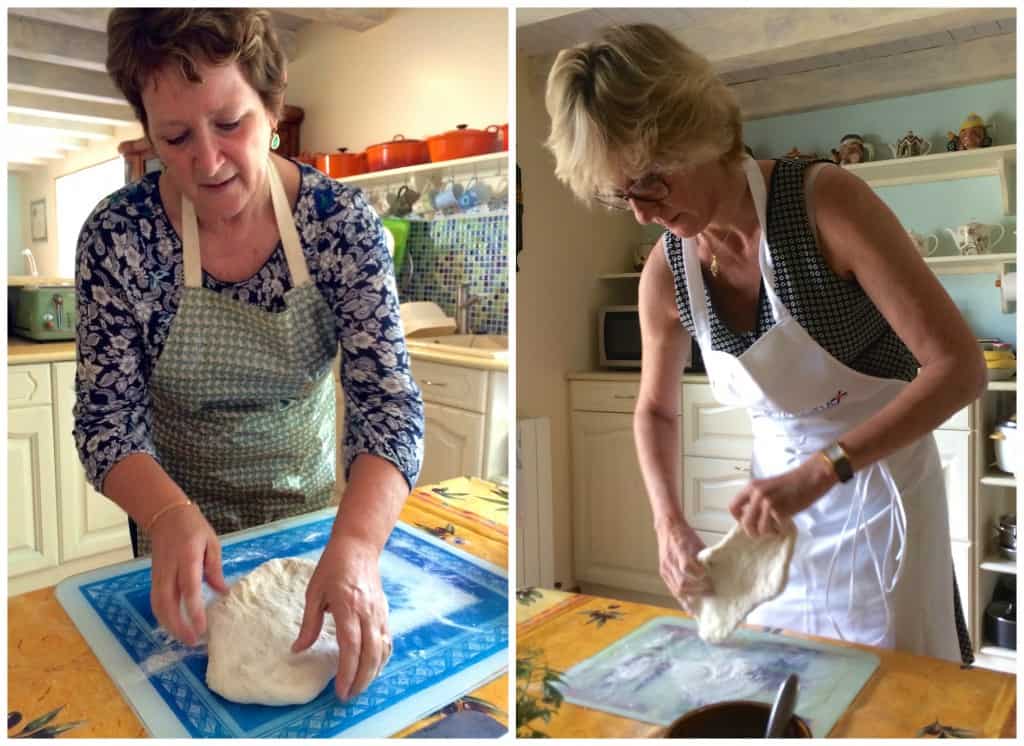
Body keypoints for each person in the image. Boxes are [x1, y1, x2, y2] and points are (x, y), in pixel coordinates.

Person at [544, 24, 986, 662]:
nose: (642, 212)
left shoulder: (825, 205)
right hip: (772, 518)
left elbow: (961, 369)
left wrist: (823, 469)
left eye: (650, 181)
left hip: (881, 494)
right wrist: (667, 520)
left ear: (696, 132)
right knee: (782, 683)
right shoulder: (668, 273)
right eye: (621, 195)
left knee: (890, 690)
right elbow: (657, 410)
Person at [74, 9, 424, 700]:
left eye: (230, 123)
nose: (206, 162)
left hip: (315, 516)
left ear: (272, 105)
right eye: (174, 137)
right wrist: (170, 518)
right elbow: (105, 421)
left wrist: (355, 547)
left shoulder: (341, 227)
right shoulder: (121, 239)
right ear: (148, 131)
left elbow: (387, 407)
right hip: (179, 526)